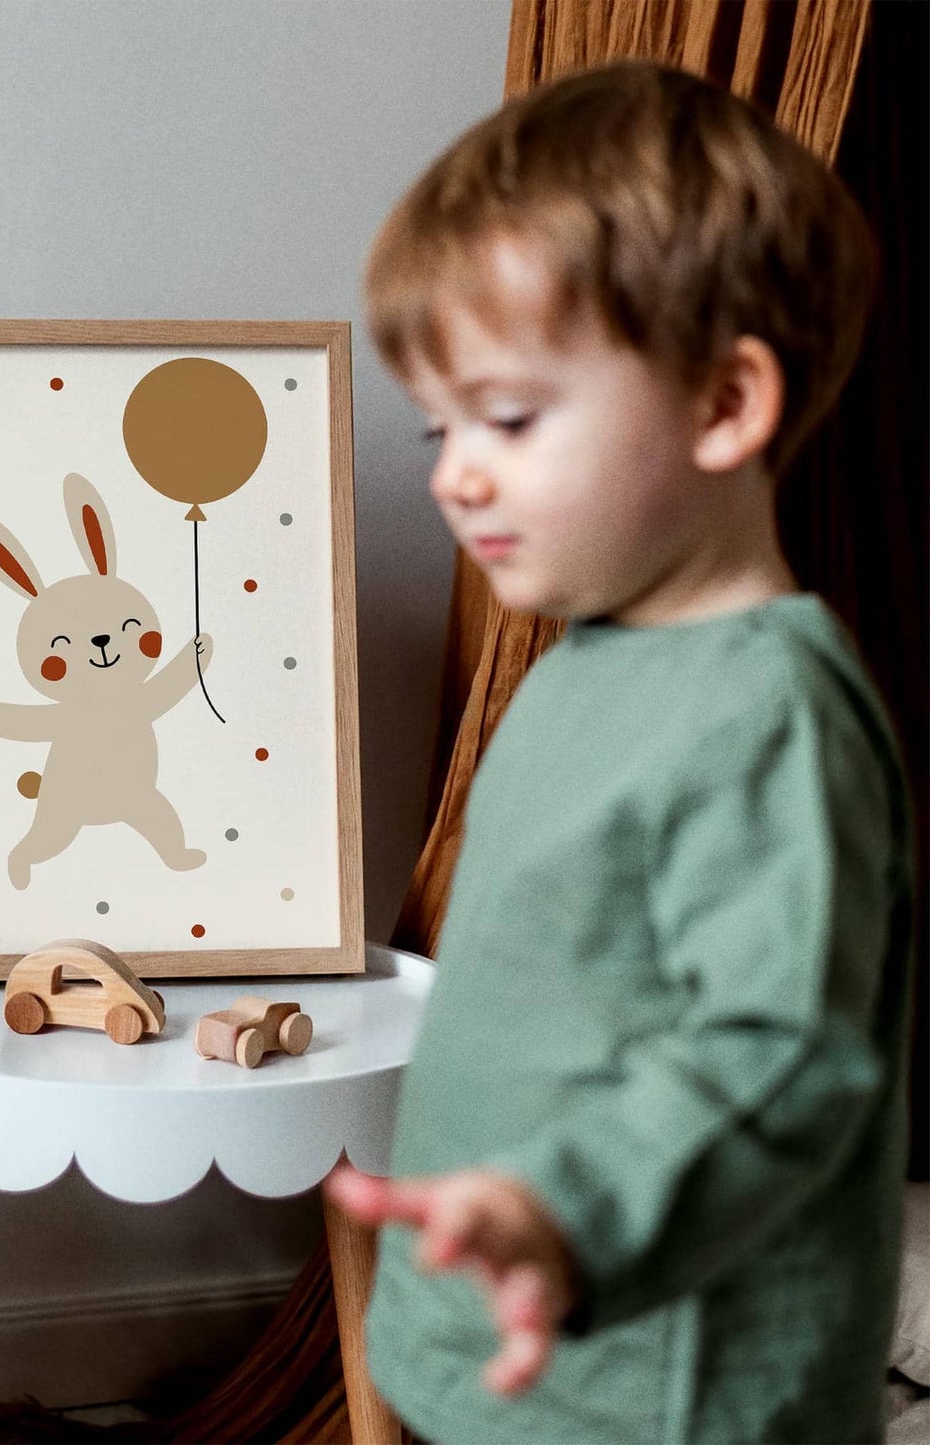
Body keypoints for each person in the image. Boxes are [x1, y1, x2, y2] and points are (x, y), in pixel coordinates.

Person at [324, 59, 918, 1444]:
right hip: (506, 1347)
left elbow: (777, 1051)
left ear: (722, 405)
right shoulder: (581, 662)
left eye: (510, 419)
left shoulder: (767, 710)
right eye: (440, 425)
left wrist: (563, 1210)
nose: (454, 472)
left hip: (669, 1390)